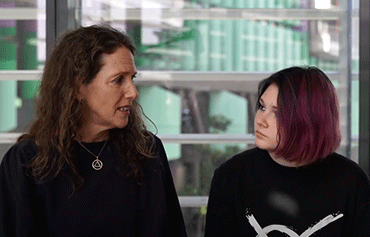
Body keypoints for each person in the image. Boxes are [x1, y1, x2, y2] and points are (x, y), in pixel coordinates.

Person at [0, 25, 187, 237]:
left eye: (132, 78)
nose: (133, 92)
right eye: (118, 80)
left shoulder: (147, 151)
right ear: (78, 87)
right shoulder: (26, 163)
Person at [204, 66, 370, 237]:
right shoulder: (231, 176)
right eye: (262, 107)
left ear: (308, 122)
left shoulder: (351, 182)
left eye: (276, 113)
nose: (261, 120)